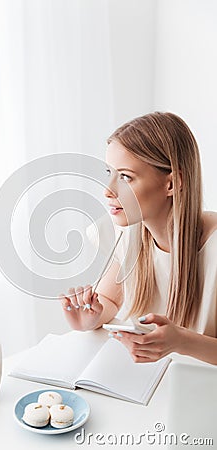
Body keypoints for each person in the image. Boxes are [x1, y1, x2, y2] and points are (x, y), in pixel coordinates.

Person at [58, 111, 217, 365]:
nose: (108, 190)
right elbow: (108, 299)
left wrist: (182, 342)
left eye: (125, 177)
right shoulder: (129, 233)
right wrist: (92, 317)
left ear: (172, 184)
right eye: (109, 173)